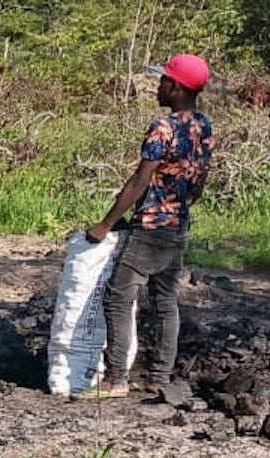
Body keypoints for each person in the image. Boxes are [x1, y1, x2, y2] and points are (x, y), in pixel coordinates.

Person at [82, 53, 216, 398]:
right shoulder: (204, 126)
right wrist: (180, 208)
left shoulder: (164, 128)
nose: (157, 86)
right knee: (166, 301)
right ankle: (160, 376)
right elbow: (199, 182)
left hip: (151, 229)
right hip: (178, 228)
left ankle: (114, 380)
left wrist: (105, 223)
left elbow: (139, 180)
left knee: (117, 298)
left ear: (176, 87)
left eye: (162, 81)